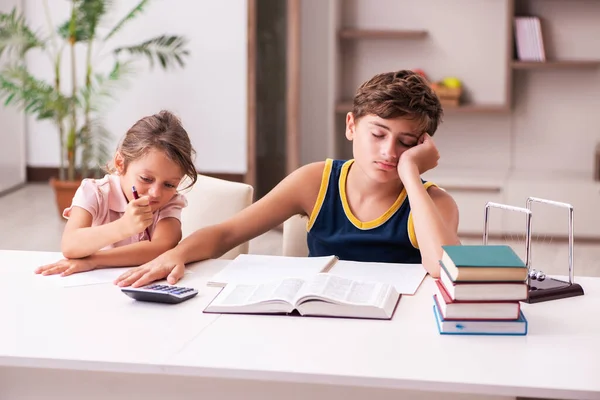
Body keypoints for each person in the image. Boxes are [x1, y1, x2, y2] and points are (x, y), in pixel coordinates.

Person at [115, 70, 460, 288]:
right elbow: (229, 232)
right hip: (319, 322)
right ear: (352, 125)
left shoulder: (435, 204)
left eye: (406, 143)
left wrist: (411, 176)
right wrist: (177, 253)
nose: (389, 152)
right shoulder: (317, 181)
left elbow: (442, 269)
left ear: (422, 147)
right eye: (378, 134)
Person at [35, 110, 198, 277]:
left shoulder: (170, 201)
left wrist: (93, 261)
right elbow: (70, 245)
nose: (156, 193)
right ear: (120, 163)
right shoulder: (95, 192)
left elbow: (162, 248)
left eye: (169, 184)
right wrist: (124, 227)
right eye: (146, 179)